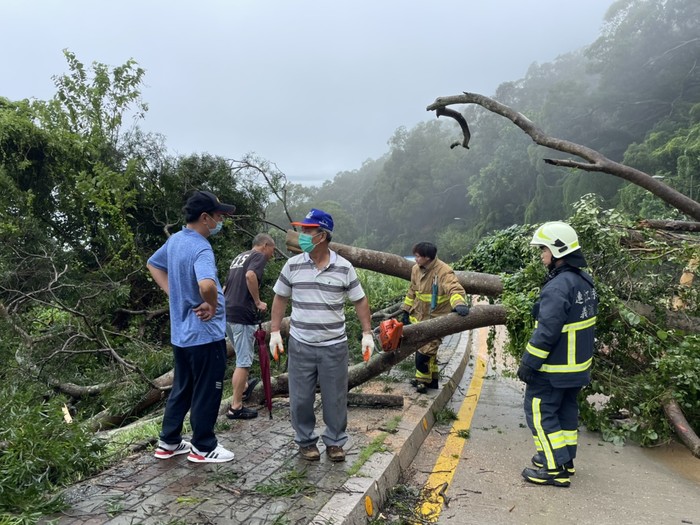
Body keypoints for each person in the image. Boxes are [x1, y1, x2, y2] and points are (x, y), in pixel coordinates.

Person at [268, 208, 375, 463]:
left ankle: (335, 442)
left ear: (323, 235)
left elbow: (360, 301)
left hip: (333, 346)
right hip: (301, 345)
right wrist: (274, 332)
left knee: (335, 398)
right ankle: (306, 441)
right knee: (300, 398)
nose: (302, 235)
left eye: (308, 230)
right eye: (302, 230)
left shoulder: (343, 267)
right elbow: (280, 297)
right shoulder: (293, 265)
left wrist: (367, 333)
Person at [146, 190, 236, 464]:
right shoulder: (200, 247)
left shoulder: (174, 241)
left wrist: (172, 291)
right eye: (219, 216)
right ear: (205, 217)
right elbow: (207, 284)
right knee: (208, 389)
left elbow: (153, 264)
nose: (221, 221)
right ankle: (203, 446)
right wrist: (209, 303)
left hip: (182, 336)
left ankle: (169, 441)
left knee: (182, 387)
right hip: (205, 335)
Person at [518, 221, 598, 487]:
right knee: (565, 413)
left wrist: (529, 363)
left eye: (543, 249)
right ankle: (564, 460)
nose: (542, 255)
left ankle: (554, 471)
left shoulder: (558, 286)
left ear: (556, 250)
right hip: (577, 369)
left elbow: (547, 332)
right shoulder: (584, 281)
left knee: (540, 413)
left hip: (553, 370)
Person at [400, 242, 470, 394]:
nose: (415, 259)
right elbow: (412, 290)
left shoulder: (444, 271)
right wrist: (406, 310)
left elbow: (454, 288)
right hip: (419, 317)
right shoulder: (415, 270)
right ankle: (432, 381)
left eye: (418, 256)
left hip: (438, 319)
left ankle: (422, 382)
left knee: (424, 353)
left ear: (427, 257)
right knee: (426, 351)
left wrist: (459, 303)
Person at [223, 233, 276, 420]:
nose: (272, 255)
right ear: (265, 245)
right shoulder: (258, 256)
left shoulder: (240, 257)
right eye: (273, 250)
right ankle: (236, 407)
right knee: (244, 361)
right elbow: (250, 275)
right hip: (241, 314)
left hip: (227, 312)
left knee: (240, 351)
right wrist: (258, 301)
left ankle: (244, 387)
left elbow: (226, 286)